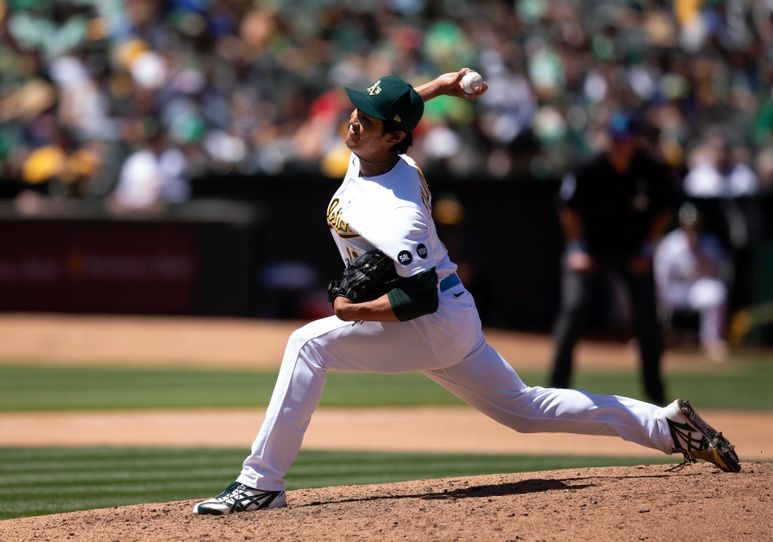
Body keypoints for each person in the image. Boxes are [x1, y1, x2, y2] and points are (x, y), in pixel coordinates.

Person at [193, 72, 739, 516]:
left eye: (370, 118)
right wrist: (440, 86)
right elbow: (400, 105)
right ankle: (668, 427)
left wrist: (353, 309)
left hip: (431, 318)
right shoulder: (389, 152)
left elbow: (420, 296)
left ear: (395, 137)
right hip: (455, 317)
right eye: (359, 109)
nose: (355, 120)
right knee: (525, 409)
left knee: (308, 344)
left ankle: (259, 483)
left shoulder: (395, 209)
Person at [549, 113, 675, 406]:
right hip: (590, 250)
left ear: (636, 141)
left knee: (647, 320)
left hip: (633, 252)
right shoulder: (589, 168)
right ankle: (556, 390)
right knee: (574, 306)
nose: (619, 146)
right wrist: (576, 247)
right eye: (615, 140)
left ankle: (657, 398)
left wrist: (648, 247)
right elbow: (566, 207)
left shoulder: (652, 169)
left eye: (625, 140)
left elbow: (664, 209)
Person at [655, 202, 731, 362]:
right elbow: (660, 277)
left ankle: (711, 341)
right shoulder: (670, 244)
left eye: (694, 225)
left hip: (697, 287)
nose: (691, 229)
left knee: (716, 292)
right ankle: (654, 338)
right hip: (675, 289)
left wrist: (701, 255)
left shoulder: (709, 243)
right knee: (652, 293)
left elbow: (717, 274)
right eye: (688, 225)